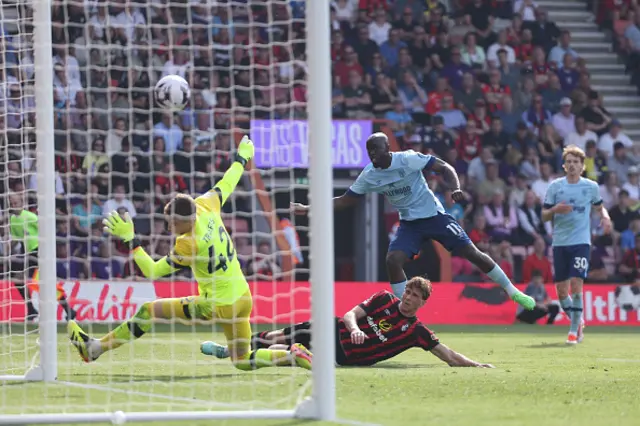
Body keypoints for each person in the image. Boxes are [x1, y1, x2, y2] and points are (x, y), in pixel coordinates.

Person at [67, 136, 312, 371]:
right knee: (242, 359)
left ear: (183, 222)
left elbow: (152, 271)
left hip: (215, 305)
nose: (169, 227)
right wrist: (241, 159)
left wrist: (131, 239)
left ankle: (95, 349)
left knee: (149, 311)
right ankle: (292, 354)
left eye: (172, 223)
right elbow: (228, 181)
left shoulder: (189, 243)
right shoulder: (206, 204)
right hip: (242, 296)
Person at [291, 132, 535, 311]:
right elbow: (346, 200)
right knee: (392, 260)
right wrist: (310, 208)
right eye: (369, 152)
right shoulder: (370, 174)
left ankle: (512, 291)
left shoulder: (407, 159)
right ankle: (402, 312)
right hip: (410, 224)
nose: (373, 155)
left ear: (388, 149)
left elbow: (445, 167)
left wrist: (455, 188)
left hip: (434, 216)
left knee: (471, 252)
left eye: (376, 150)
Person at [201, 277, 494, 368]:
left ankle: (234, 351)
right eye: (407, 291)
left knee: (293, 341)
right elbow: (350, 314)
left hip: (347, 356)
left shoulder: (416, 332)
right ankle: (232, 351)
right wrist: (354, 329)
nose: (407, 297)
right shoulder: (384, 299)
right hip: (338, 330)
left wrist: (477, 366)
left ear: (422, 303)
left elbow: (448, 355)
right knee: (290, 334)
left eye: (414, 296)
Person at [542, 145, 612, 344]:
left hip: (581, 242)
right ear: (564, 166)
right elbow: (545, 215)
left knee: (576, 284)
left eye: (576, 162)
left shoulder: (591, 187)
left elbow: (600, 207)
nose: (572, 165)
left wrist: (605, 218)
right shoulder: (555, 186)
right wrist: (556, 209)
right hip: (559, 243)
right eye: (569, 162)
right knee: (562, 291)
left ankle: (574, 331)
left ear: (582, 166)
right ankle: (578, 320)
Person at [7, 193, 76, 321]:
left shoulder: (30, 216)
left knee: (19, 279)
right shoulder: (12, 220)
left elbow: (45, 230)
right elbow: (16, 239)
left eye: (16, 203)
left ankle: (32, 309)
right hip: (30, 253)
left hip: (39, 250)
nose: (14, 205)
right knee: (44, 283)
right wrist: (7, 251)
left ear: (22, 203)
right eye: (12, 204)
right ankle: (68, 310)